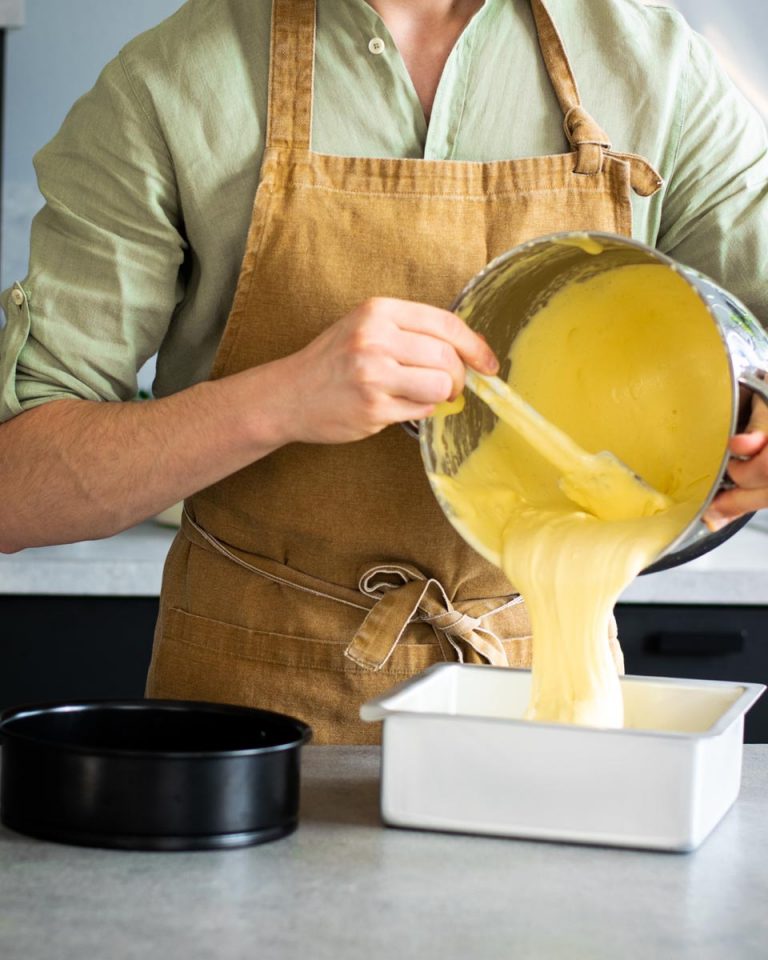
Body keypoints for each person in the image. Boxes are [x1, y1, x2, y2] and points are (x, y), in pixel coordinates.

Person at [1, 0, 768, 742]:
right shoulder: (171, 83)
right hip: (255, 714)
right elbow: (17, 493)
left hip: (549, 702)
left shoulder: (658, 69)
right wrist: (280, 402)